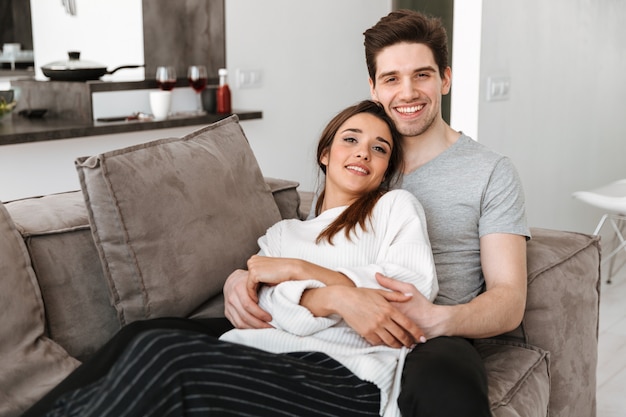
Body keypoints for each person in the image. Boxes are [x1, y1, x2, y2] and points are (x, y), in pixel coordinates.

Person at [24, 100, 438, 417]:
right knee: (147, 344)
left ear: (385, 171)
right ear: (325, 154)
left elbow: (406, 295)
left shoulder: (395, 208)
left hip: (346, 377)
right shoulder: (281, 234)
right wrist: (337, 296)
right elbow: (261, 308)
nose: (363, 152)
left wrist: (301, 273)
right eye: (350, 139)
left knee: (169, 357)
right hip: (256, 359)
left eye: (379, 148)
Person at [223, 9, 530, 417]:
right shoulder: (359, 163)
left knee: (447, 384)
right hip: (332, 320)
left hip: (430, 335)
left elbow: (509, 299)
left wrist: (437, 320)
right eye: (391, 78)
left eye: (422, 75)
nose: (407, 92)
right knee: (155, 336)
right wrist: (242, 278)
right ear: (374, 86)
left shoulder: (490, 171)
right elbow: (313, 243)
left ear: (445, 79)